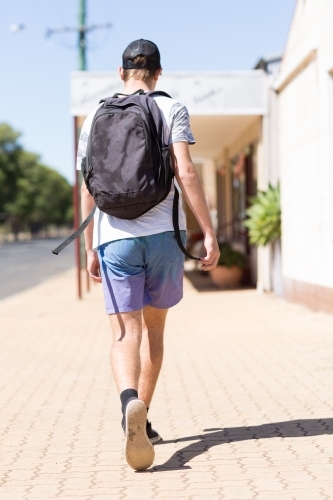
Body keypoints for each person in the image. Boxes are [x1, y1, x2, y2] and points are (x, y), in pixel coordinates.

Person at [78, 39, 220, 471]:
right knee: (154, 333)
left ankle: (128, 405)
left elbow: (87, 183)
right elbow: (186, 171)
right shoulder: (170, 108)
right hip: (164, 236)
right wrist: (208, 232)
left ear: (121, 73)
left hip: (114, 236)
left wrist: (89, 245)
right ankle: (144, 416)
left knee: (124, 334)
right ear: (158, 74)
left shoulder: (94, 117)